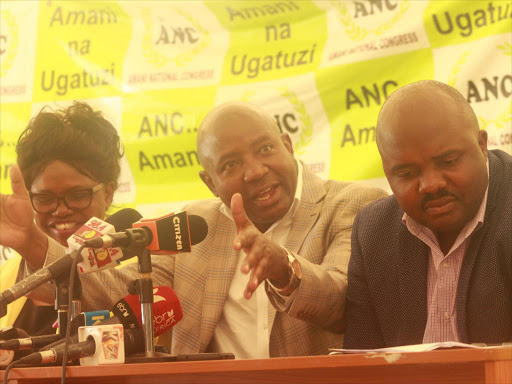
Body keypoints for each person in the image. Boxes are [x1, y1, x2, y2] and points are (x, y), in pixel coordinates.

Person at [5, 102, 386, 358]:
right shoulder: (195, 227)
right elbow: (118, 293)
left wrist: (284, 268)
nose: (254, 171)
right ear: (210, 182)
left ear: (288, 144)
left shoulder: (353, 204)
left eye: (266, 149)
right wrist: (33, 242)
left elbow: (343, 303)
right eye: (231, 164)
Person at [343, 80, 512, 349]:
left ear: (482, 145)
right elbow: (362, 359)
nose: (431, 184)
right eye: (407, 173)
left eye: (448, 161)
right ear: (388, 174)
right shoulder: (372, 231)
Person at [0, 102, 122, 335]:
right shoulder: (10, 273)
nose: (61, 210)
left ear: (107, 193)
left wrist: (30, 241)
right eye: (45, 198)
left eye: (77, 196)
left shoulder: (136, 263)